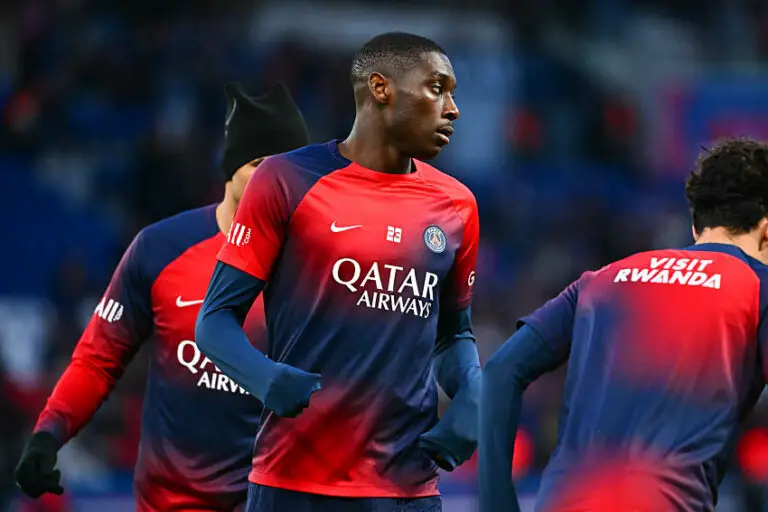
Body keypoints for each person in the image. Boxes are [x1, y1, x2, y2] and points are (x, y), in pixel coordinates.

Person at [195, 32, 481, 512]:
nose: (452, 109)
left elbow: (453, 335)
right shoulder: (285, 180)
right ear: (380, 88)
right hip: (293, 484)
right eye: (437, 88)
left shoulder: (457, 206)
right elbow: (214, 320)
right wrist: (263, 377)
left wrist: (473, 391)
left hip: (407, 490)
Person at [14, 82, 310, 512]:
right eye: (260, 164)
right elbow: (98, 359)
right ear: (231, 168)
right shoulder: (160, 249)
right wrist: (48, 435)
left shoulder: (318, 269)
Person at [478, 137, 768, 512]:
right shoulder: (758, 286)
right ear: (766, 231)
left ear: (697, 227)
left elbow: (499, 372)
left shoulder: (602, 279)